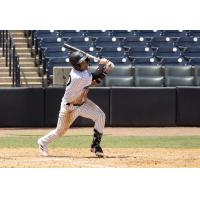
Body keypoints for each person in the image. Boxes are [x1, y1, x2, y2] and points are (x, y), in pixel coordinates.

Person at [38, 51, 114, 158]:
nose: (85, 64)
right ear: (77, 66)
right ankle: (42, 142)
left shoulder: (83, 74)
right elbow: (96, 75)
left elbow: (93, 81)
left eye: (85, 61)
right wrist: (102, 64)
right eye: (82, 62)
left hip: (82, 104)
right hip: (69, 108)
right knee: (60, 132)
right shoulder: (77, 76)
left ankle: (96, 145)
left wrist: (104, 72)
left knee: (100, 116)